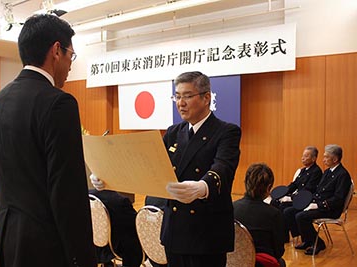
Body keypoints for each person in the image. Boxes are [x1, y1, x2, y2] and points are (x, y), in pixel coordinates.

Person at [91, 71, 241, 267]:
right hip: (175, 230)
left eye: (187, 96)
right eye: (177, 96)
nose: (180, 103)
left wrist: (202, 187)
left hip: (206, 232)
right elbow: (147, 166)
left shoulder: (226, 131)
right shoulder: (174, 132)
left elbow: (223, 167)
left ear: (206, 98)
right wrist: (108, 178)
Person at [0, 14, 96, 267]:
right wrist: (82, 258)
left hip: (5, 238)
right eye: (71, 55)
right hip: (45, 245)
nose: (71, 65)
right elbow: (67, 193)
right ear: (56, 50)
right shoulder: (59, 103)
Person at [283, 144, 352, 255]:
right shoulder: (328, 172)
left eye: (326, 157)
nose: (323, 159)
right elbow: (318, 191)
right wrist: (310, 201)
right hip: (318, 203)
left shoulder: (342, 175)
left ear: (335, 159)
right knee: (289, 211)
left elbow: (338, 199)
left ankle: (318, 243)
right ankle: (307, 240)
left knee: (301, 216)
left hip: (330, 208)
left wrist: (318, 205)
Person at [234, 163, 286, 267]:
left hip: (235, 262)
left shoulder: (231, 208)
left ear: (246, 183)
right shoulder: (274, 214)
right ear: (268, 188)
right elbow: (279, 252)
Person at [271, 146, 322, 242]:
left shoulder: (316, 172)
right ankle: (281, 233)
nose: (303, 158)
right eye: (303, 156)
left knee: (284, 208)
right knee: (275, 202)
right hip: (297, 197)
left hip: (305, 200)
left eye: (306, 156)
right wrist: (283, 193)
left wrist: (291, 198)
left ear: (314, 158)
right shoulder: (303, 171)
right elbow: (294, 185)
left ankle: (295, 234)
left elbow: (308, 190)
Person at [88, 189, 143, 267]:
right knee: (134, 237)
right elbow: (135, 224)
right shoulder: (120, 201)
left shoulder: (89, 194)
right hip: (114, 247)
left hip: (96, 243)